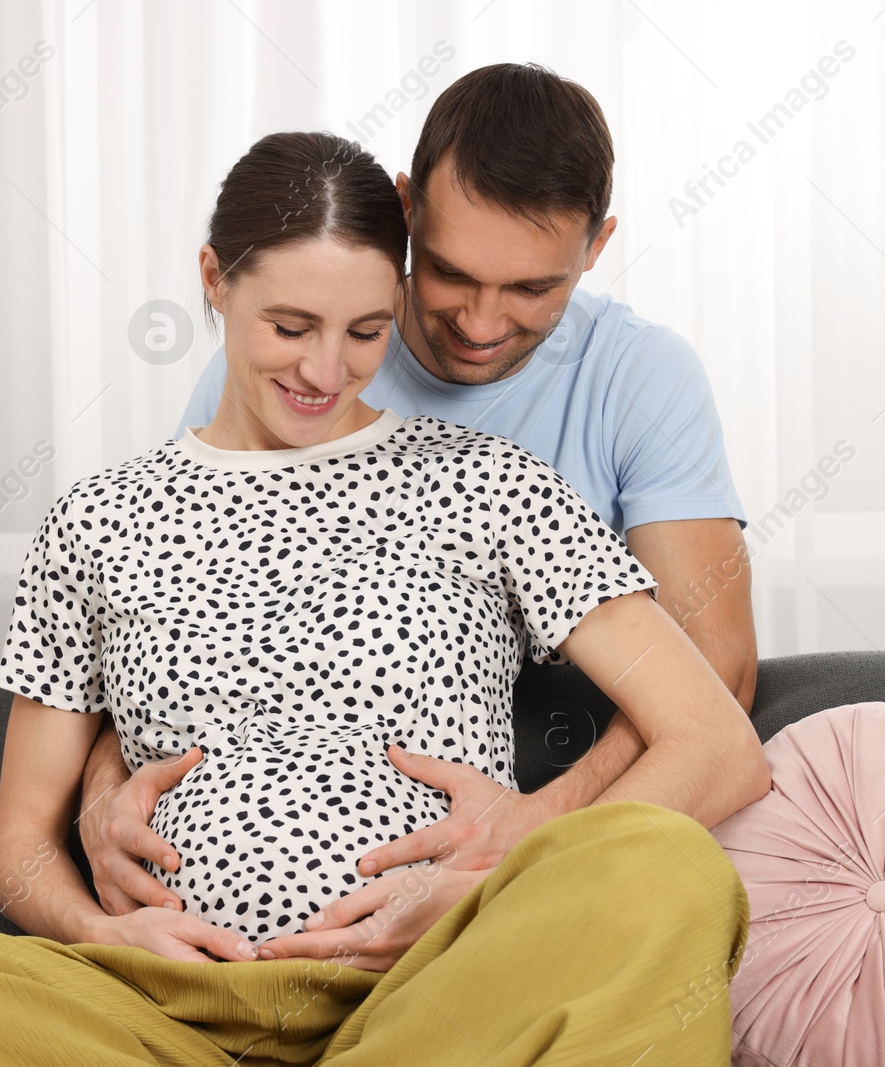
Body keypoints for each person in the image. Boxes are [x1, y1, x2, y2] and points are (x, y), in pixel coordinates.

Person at [0, 131, 768, 1066]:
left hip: (427, 988)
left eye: (365, 330)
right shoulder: (98, 518)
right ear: (214, 278)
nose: (326, 369)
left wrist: (502, 862)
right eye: (289, 325)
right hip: (154, 1015)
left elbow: (716, 744)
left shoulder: (489, 482)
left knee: (665, 871)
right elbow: (18, 844)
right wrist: (106, 935)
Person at [78, 61, 757, 964]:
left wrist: (535, 830)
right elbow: (160, 627)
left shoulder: (637, 379)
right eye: (447, 272)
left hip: (537, 798)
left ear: (596, 249)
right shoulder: (292, 367)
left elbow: (717, 675)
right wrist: (99, 802)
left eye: (531, 290)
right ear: (406, 210)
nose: (481, 321)